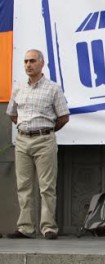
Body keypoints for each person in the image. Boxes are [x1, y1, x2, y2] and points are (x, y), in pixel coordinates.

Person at [6, 49, 70, 240]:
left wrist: (45, 130)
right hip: (23, 139)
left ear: (42, 63)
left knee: (46, 186)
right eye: (25, 61)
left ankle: (49, 227)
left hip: (44, 140)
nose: (28, 65)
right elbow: (12, 113)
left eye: (32, 61)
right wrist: (27, 127)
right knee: (23, 186)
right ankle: (25, 227)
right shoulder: (18, 88)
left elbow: (63, 117)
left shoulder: (53, 88)